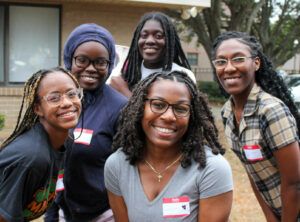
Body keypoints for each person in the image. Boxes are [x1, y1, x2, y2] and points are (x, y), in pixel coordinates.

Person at [104, 71, 233, 221]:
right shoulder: (117, 165)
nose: (169, 116)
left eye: (181, 108)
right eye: (158, 105)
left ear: (192, 115)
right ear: (140, 108)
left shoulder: (212, 169)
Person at [211, 31, 300, 221]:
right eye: (221, 62)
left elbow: (294, 183)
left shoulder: (271, 111)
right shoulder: (227, 112)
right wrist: (270, 217)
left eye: (238, 59)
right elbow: (253, 171)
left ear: (256, 63)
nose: (229, 68)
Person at [50, 23, 127, 222]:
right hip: (63, 211)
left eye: (100, 62)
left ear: (109, 65)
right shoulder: (58, 103)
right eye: (82, 60)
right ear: (70, 60)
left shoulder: (121, 109)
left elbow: (130, 172)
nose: (91, 69)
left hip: (104, 214)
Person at [0, 67, 82, 222]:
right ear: (38, 108)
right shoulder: (32, 157)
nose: (66, 103)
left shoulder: (64, 140)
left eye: (72, 94)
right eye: (54, 98)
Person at [109, 11, 196, 98]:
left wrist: (123, 91)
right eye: (144, 35)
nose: (149, 41)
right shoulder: (128, 74)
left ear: (170, 41)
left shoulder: (183, 75)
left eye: (158, 36)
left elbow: (163, 111)